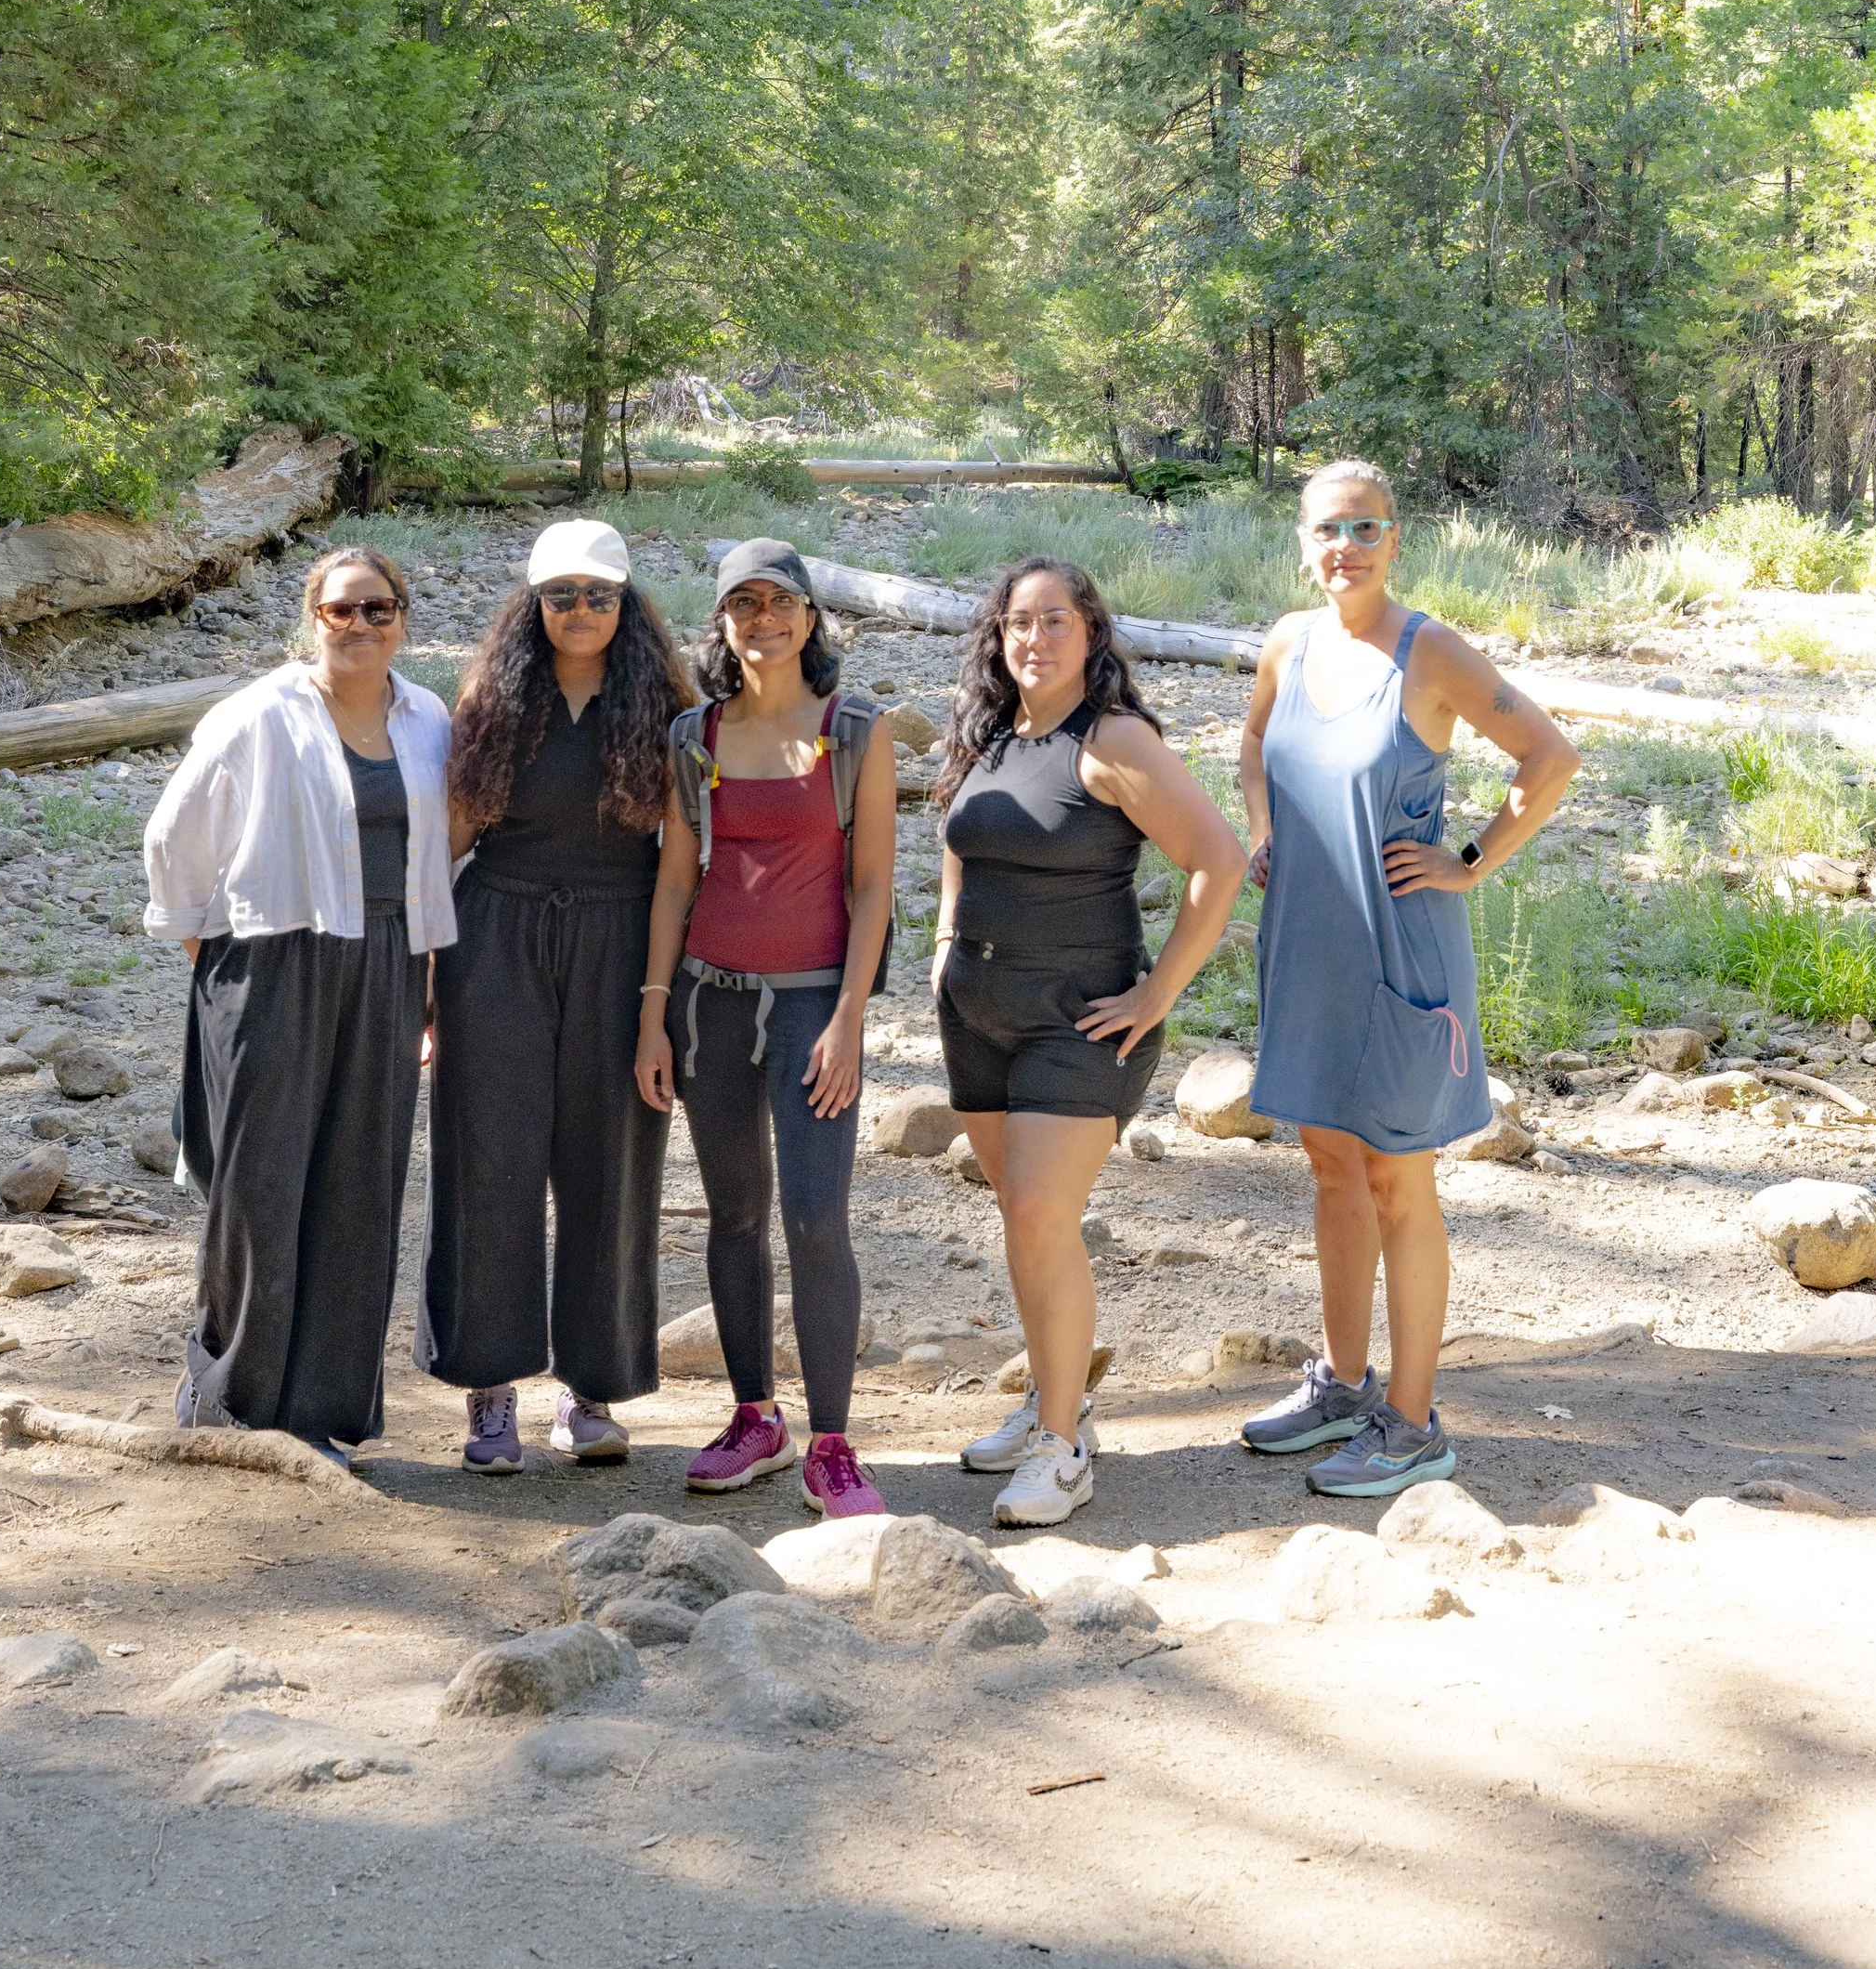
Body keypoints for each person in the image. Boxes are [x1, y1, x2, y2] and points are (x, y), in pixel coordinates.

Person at [1238, 458, 1581, 1496]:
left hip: (1402, 949)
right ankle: (1343, 1384)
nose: (1343, 546)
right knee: (1330, 1164)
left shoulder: (1426, 650)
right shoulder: (1287, 644)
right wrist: (1261, 832)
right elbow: (1252, 743)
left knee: (1397, 1177)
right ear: (1302, 541)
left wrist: (1467, 861)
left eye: (1364, 527)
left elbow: (1548, 757)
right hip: (1307, 943)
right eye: (1326, 529)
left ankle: (1415, 1421)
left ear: (1396, 539)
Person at [934, 555, 1247, 1531]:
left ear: (1090, 633)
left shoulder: (1112, 738)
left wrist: (1157, 993)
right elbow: (959, 843)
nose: (1033, 639)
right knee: (1025, 1221)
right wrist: (946, 941)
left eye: (1054, 621)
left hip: (1075, 1021)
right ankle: (1051, 1400)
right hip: (975, 1015)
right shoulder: (991, 736)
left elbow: (1219, 861)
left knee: (1037, 1211)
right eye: (1018, 623)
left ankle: (1062, 1449)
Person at [143, 544, 454, 1464]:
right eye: (341, 609)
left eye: (378, 608)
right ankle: (231, 1401)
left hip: (391, 966)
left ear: (403, 619)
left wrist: (429, 977)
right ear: (311, 616)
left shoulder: (428, 718)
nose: (359, 625)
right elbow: (174, 835)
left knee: (361, 1180)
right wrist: (213, 946)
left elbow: (440, 855)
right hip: (272, 962)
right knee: (261, 1185)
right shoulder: (257, 716)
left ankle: (321, 1408)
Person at [419, 517, 694, 1473]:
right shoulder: (495, 691)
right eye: (561, 594)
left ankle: (593, 1389)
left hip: (619, 939)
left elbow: (676, 865)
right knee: (487, 1158)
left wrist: (658, 999)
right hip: (494, 932)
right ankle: (488, 1392)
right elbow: (450, 834)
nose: (580, 610)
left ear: (627, 605)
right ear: (532, 604)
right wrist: (418, 968)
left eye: (599, 595)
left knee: (609, 1159)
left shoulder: (665, 700)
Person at [636, 538, 896, 1521]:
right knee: (734, 1214)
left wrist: (848, 1019)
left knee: (815, 1216)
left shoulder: (856, 730)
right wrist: (654, 1014)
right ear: (722, 622)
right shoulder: (692, 735)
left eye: (780, 601)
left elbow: (871, 886)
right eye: (742, 603)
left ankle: (832, 1443)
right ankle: (756, 1417)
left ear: (811, 618)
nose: (762, 618)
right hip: (709, 1006)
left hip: (810, 1007)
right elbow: (673, 879)